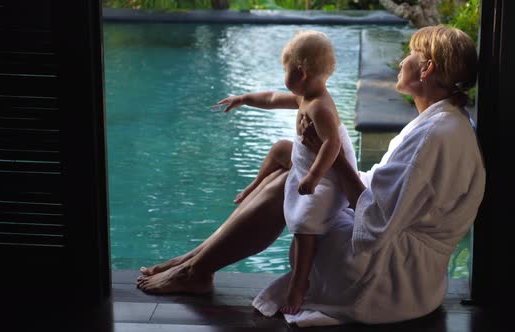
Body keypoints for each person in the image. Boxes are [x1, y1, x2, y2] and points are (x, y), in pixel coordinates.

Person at [137, 25, 485, 326]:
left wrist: (330, 160)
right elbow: (386, 200)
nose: (402, 61)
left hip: (388, 280)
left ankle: (195, 270)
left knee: (293, 183)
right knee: (292, 159)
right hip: (408, 269)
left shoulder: (433, 137)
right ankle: (195, 261)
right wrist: (320, 159)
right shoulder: (444, 124)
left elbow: (376, 223)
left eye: (410, 54)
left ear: (426, 69)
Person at [215, 30, 358, 314]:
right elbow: (270, 98)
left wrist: (314, 177)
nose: (284, 75)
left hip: (328, 177)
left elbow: (333, 145)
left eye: (286, 69)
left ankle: (299, 283)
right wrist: (243, 98)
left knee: (305, 226)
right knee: (280, 148)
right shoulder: (305, 95)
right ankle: (255, 186)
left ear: (301, 72)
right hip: (308, 159)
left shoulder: (320, 107)